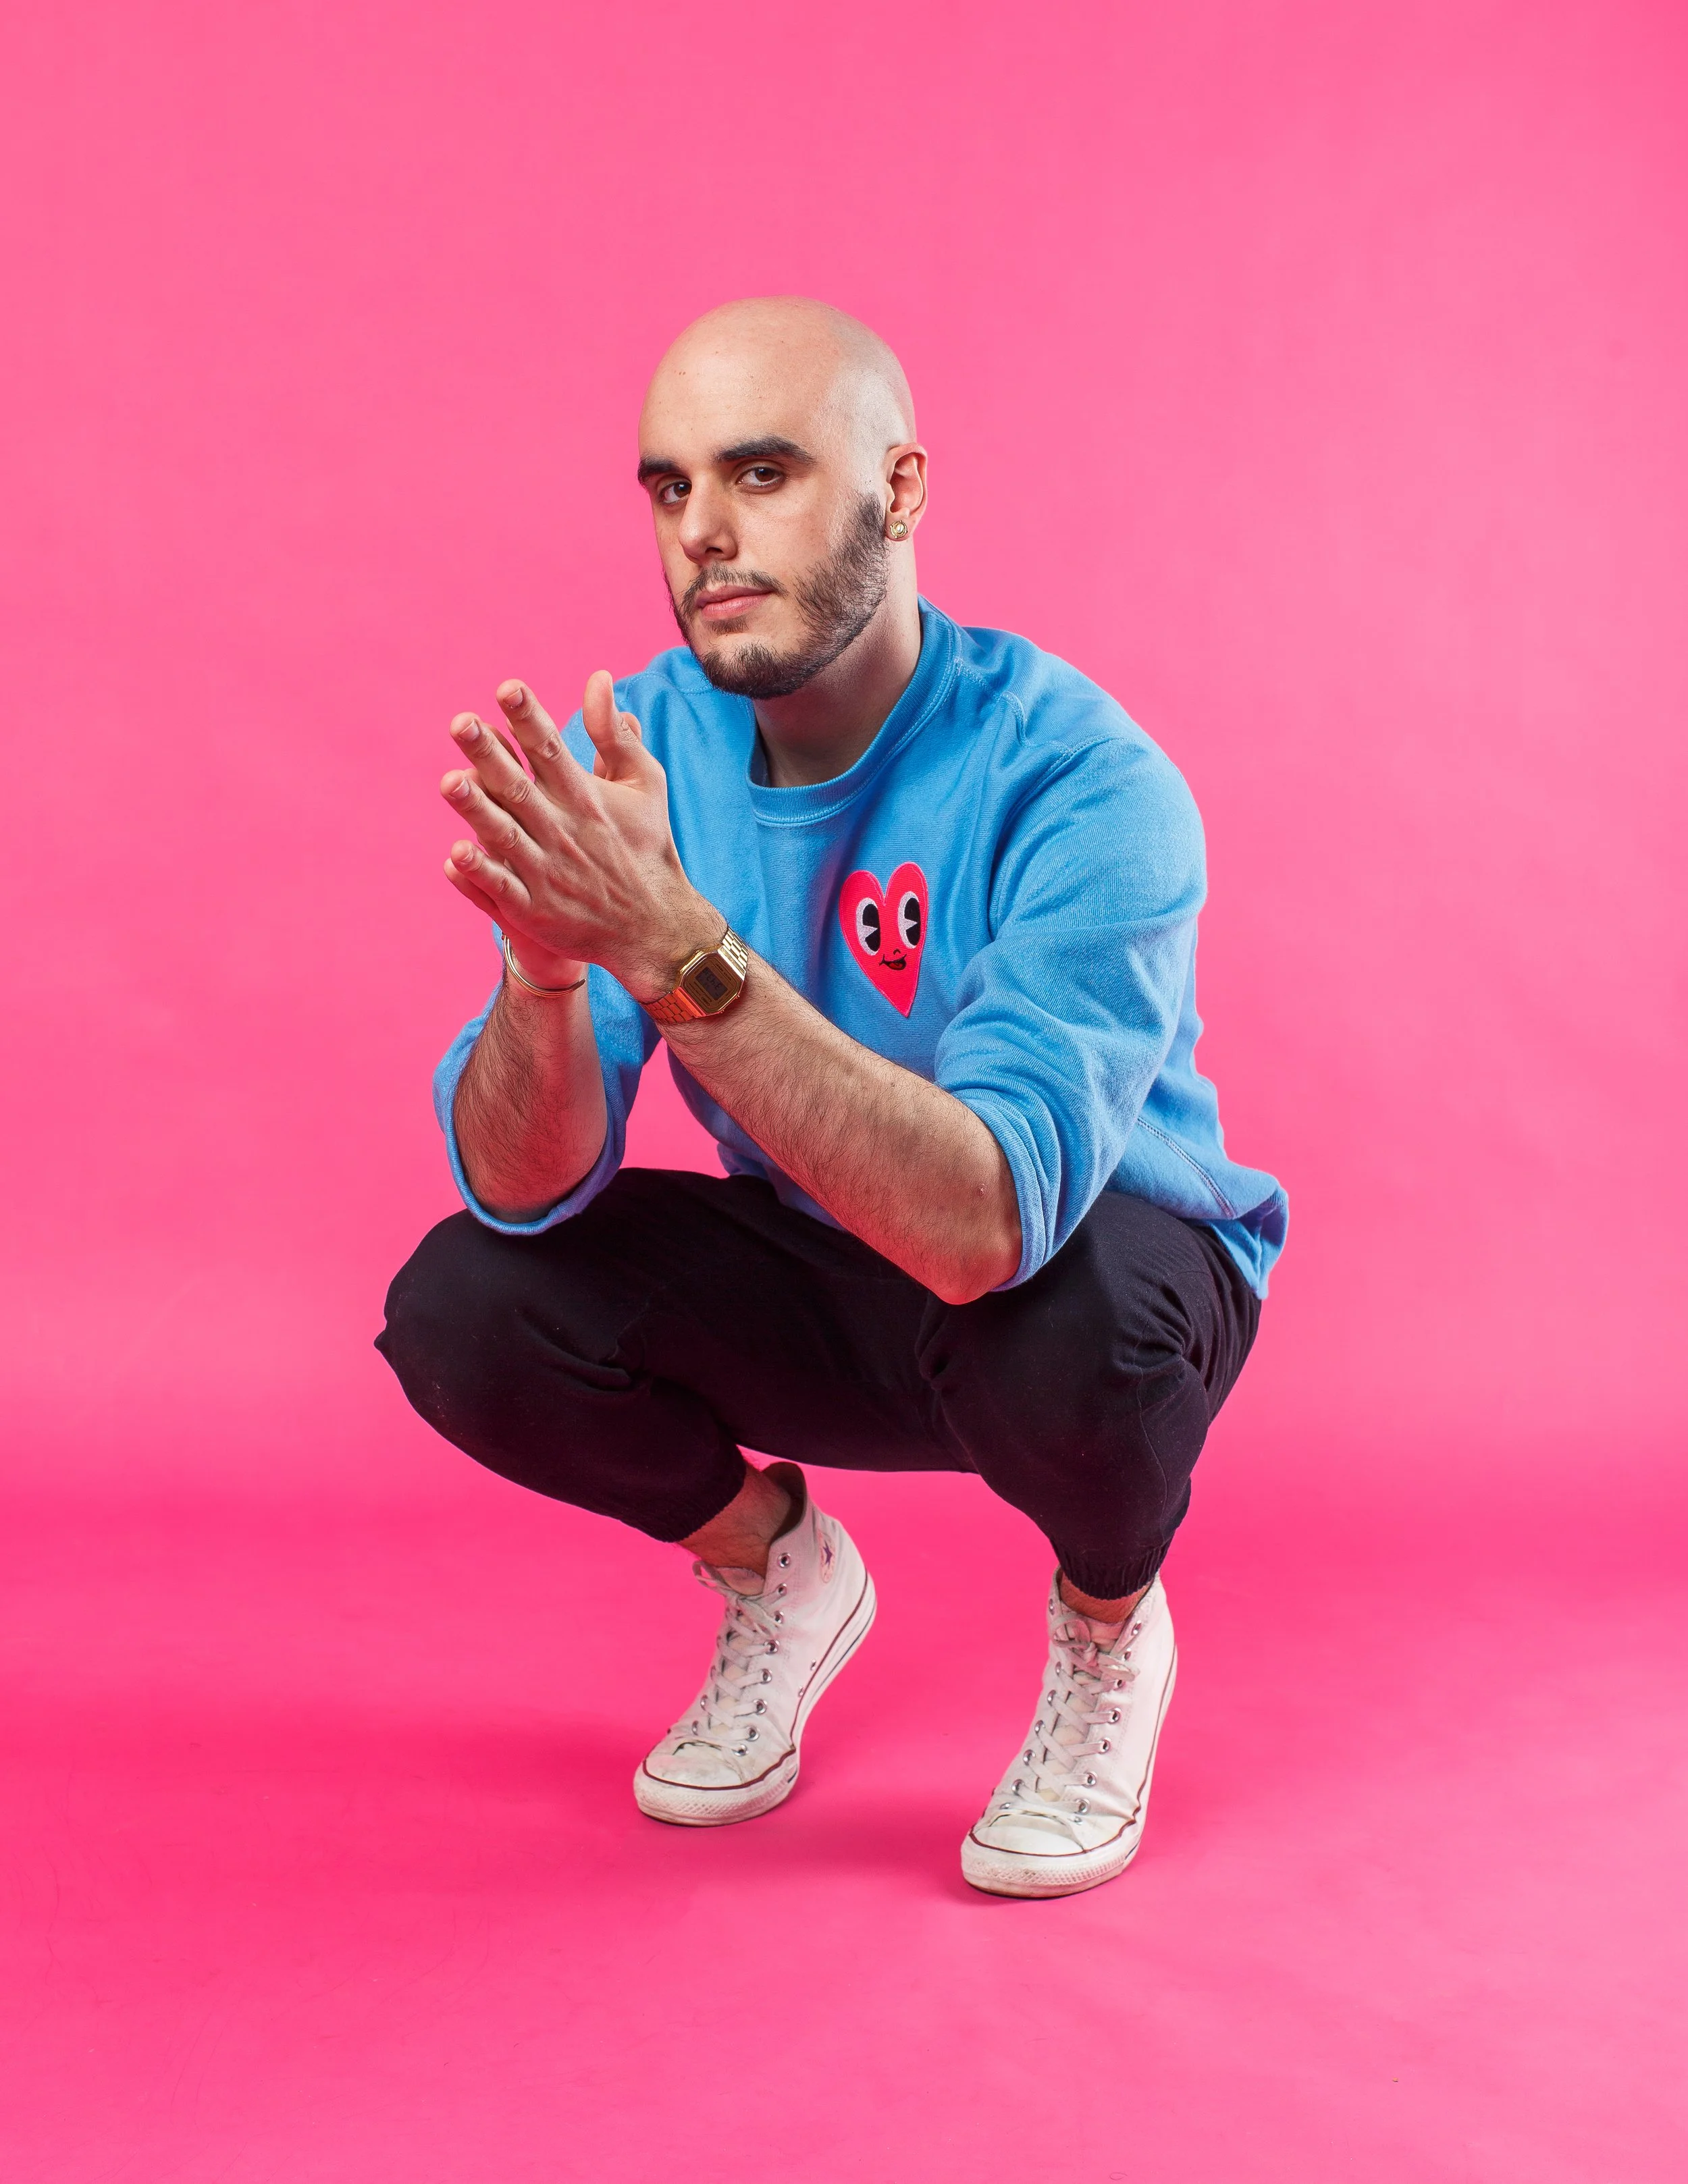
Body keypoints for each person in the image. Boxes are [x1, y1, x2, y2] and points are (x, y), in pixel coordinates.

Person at [377, 297, 1286, 1898]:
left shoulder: (1079, 777)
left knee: (1068, 1328)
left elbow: (984, 1221)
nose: (705, 532)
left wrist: (680, 953)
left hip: (1077, 1272)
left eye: (764, 471)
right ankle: (777, 1575)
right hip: (835, 1270)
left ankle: (1104, 1625)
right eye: (668, 488)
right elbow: (520, 1185)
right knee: (467, 1301)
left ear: (901, 490)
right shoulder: (649, 749)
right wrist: (544, 973)